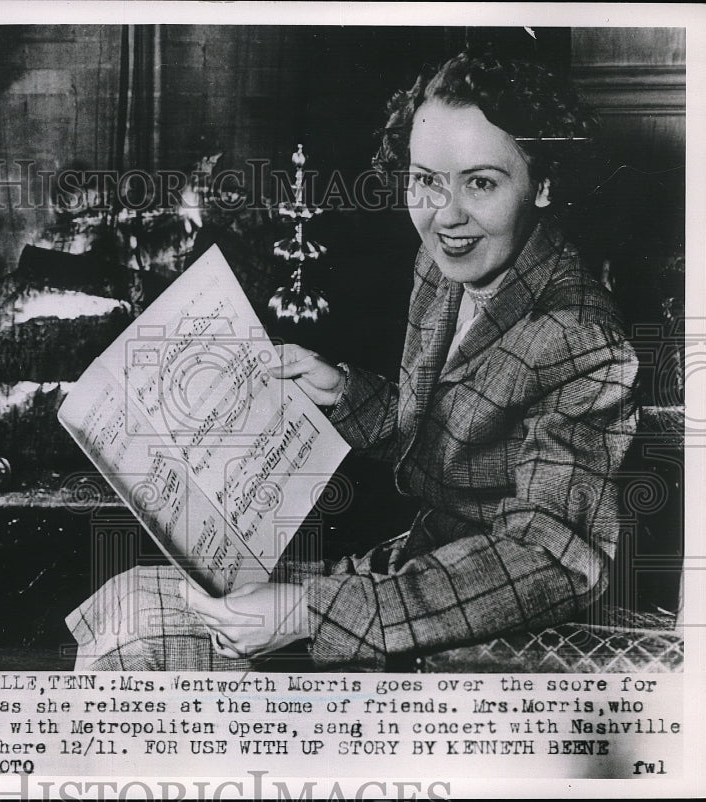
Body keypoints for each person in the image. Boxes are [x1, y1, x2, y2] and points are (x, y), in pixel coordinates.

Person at [66, 50, 639, 671]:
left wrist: (306, 611)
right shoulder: (447, 269)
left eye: (481, 183)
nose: (445, 215)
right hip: (415, 570)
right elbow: (453, 432)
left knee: (143, 643)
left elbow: (551, 562)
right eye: (426, 180)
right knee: (129, 603)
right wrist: (344, 393)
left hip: (485, 623)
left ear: (544, 183)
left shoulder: (582, 337)